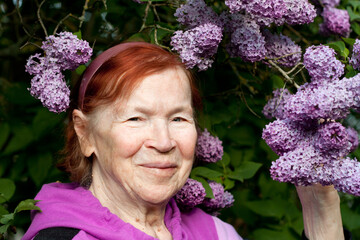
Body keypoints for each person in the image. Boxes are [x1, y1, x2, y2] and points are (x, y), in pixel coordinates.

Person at [23, 42, 349, 240]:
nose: (164, 142)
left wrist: (320, 209)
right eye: (136, 118)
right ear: (85, 134)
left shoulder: (216, 234)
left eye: (178, 118)